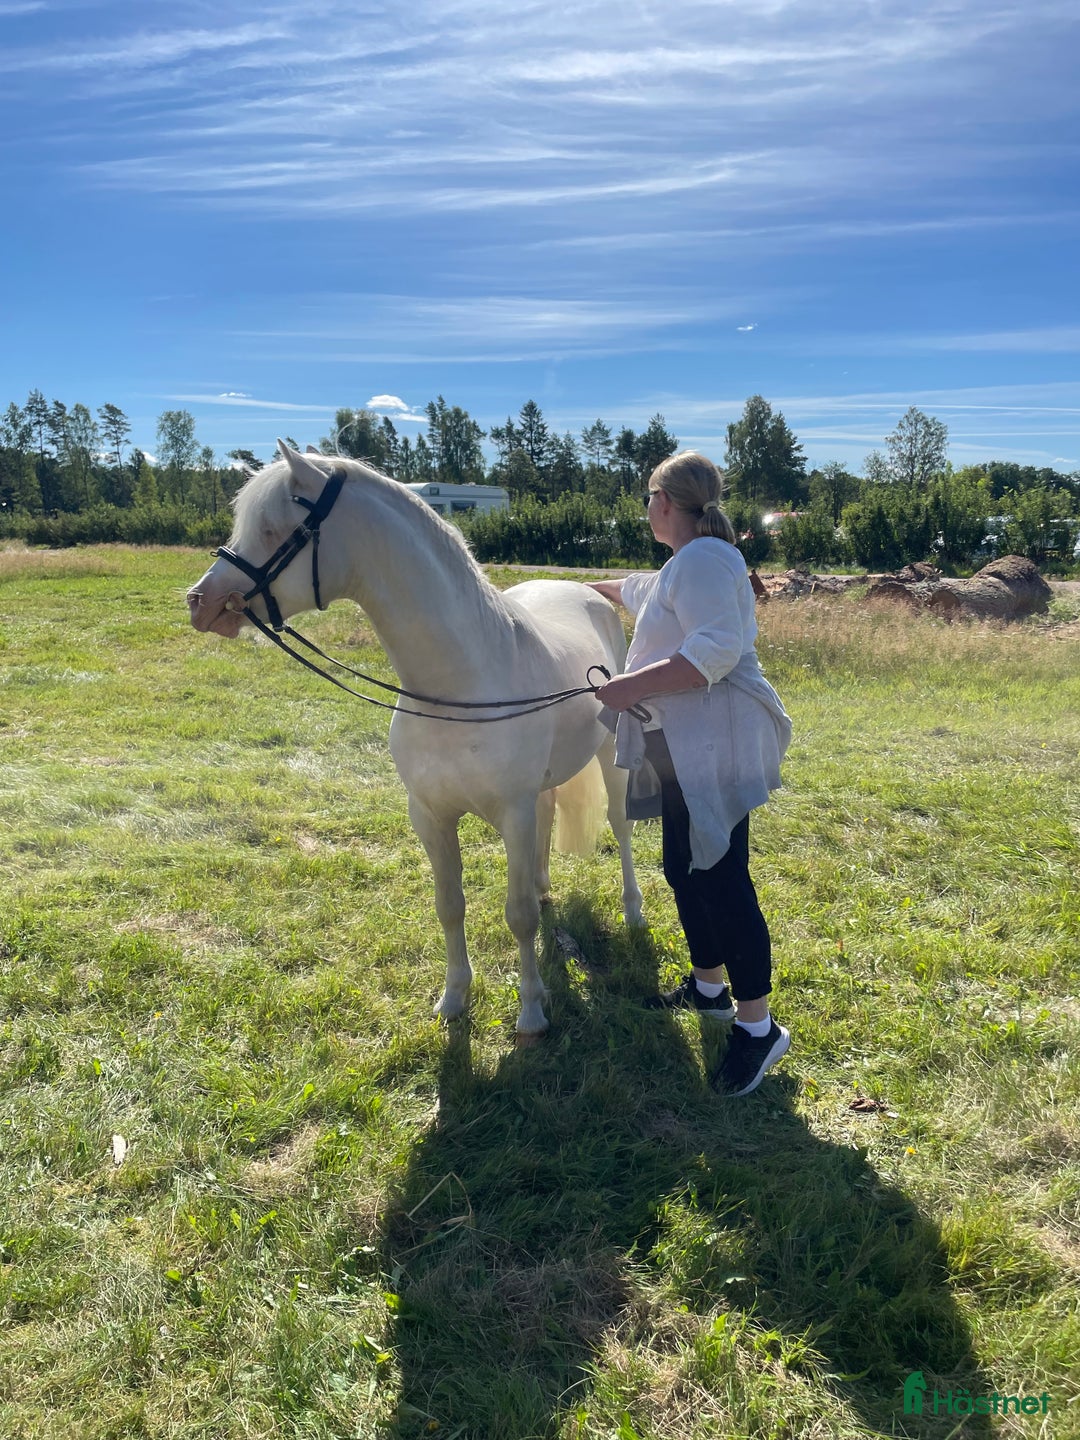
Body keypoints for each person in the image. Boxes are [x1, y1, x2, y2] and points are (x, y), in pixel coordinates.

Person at [587, 451, 793, 1097]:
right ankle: (710, 989)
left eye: (649, 496)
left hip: (719, 740)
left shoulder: (705, 560)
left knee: (722, 876)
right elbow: (630, 590)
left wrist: (624, 688)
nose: (646, 506)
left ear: (665, 502)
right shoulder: (684, 564)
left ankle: (759, 1031)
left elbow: (713, 650)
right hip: (684, 744)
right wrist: (564, 594)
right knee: (685, 866)